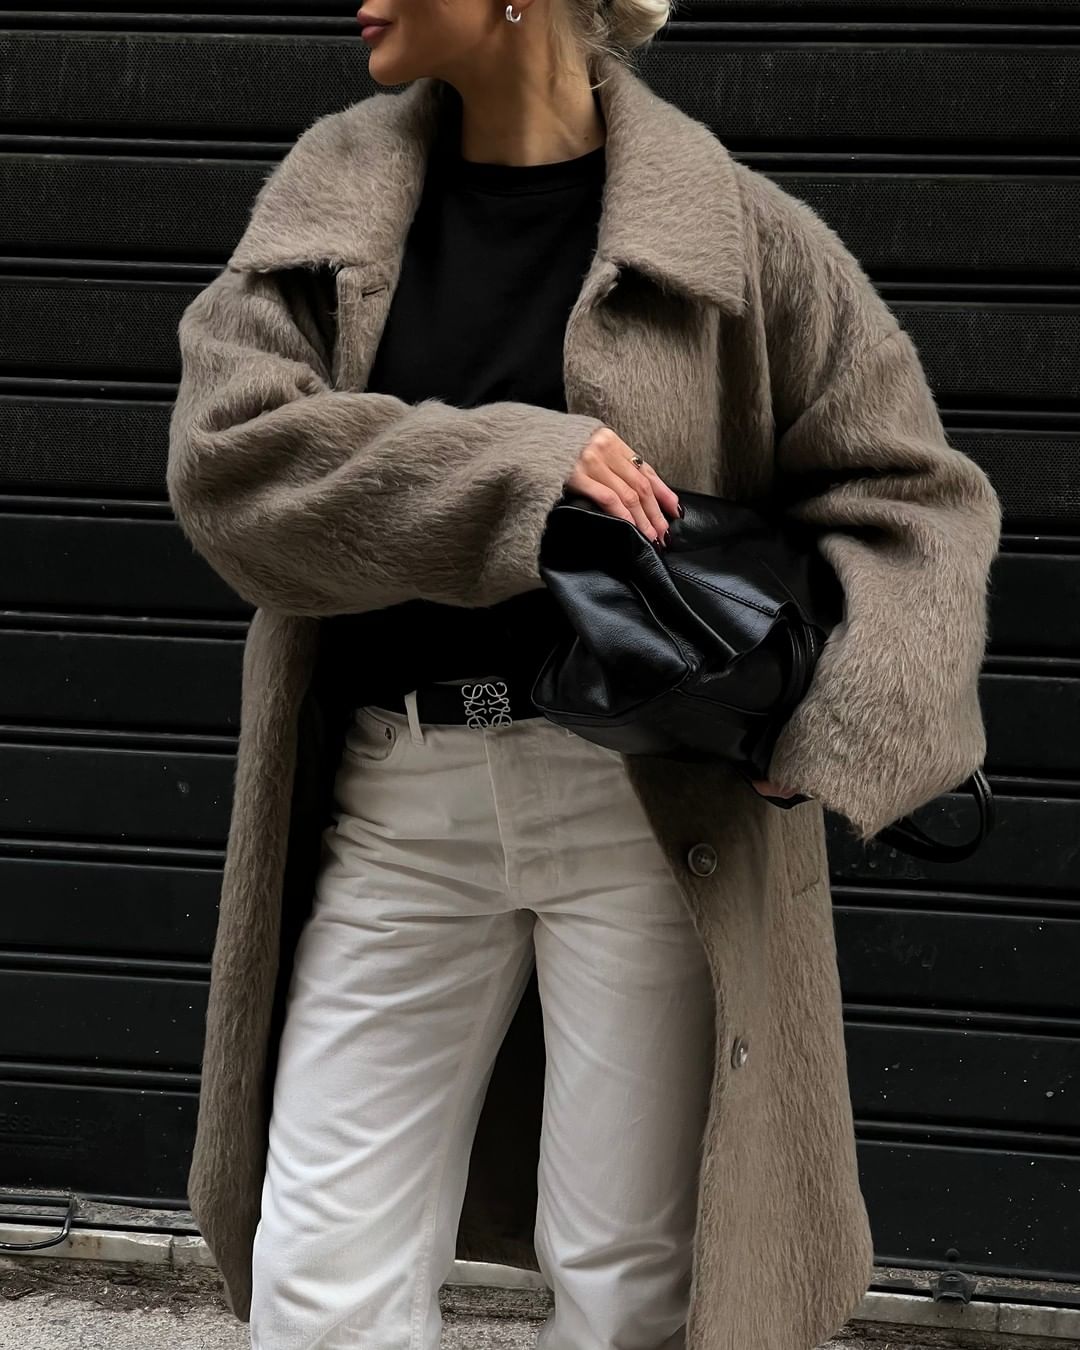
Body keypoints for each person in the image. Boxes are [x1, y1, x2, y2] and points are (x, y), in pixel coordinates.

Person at [166, 1, 1002, 1348]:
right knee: (316, 1266)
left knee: (630, 1274)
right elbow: (227, 468)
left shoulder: (738, 235)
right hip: (395, 797)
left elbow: (915, 499)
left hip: (646, 814)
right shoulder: (332, 210)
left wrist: (840, 719)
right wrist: (522, 469)